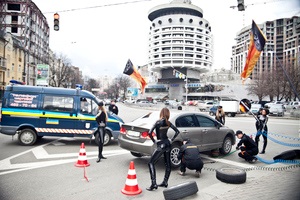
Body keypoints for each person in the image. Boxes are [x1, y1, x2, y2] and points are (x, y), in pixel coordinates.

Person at [146, 107, 180, 191]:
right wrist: (171, 140)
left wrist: (154, 141)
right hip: (167, 144)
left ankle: (154, 184)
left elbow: (149, 133)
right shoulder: (168, 123)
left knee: (151, 162)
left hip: (161, 144)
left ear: (161, 113)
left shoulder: (158, 122)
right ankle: (165, 182)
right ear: (168, 114)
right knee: (167, 164)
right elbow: (177, 131)